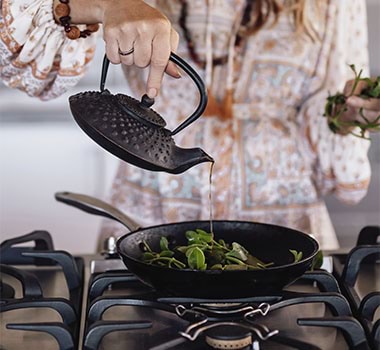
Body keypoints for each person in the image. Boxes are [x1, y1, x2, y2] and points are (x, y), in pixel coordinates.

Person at [1, 0, 379, 250]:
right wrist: (106, 3)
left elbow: (327, 110)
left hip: (286, 223)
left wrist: (349, 117)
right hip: (150, 208)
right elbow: (15, 55)